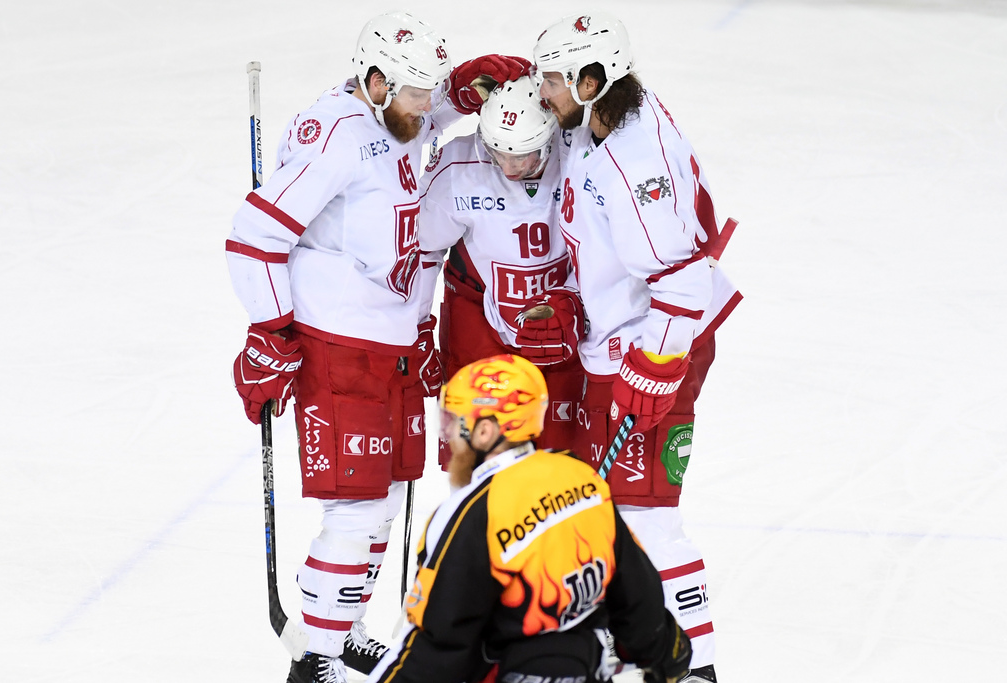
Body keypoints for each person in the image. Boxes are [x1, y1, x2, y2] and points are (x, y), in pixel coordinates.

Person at [225, 11, 529, 683]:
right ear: (374, 82)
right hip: (338, 346)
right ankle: (316, 659)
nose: (430, 108)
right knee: (356, 507)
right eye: (419, 93)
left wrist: (467, 88)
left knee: (387, 499)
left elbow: (423, 112)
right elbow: (254, 238)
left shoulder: (396, 113)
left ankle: (340, 624)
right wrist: (272, 329)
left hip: (390, 344)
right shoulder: (332, 134)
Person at [531, 12, 743, 683]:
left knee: (644, 517)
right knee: (612, 511)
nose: (544, 92)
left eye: (557, 80)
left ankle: (697, 667)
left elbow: (682, 280)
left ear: (594, 81)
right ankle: (640, 651)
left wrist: (655, 366)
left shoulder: (631, 164)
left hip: (661, 346)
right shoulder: (605, 114)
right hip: (628, 341)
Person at [366, 354, 693, 683]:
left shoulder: (469, 514)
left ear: (484, 431)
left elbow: (438, 646)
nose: (449, 437)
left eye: (455, 422)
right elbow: (637, 596)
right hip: (586, 667)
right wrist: (668, 653)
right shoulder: (582, 478)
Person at [417, 74, 585, 458]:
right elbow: (421, 251)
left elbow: (611, 250)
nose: (508, 169)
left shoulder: (581, 155)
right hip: (479, 323)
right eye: (498, 154)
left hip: (562, 323)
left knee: (561, 458)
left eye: (521, 156)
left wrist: (575, 304)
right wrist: (418, 327)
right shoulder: (460, 166)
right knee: (477, 460)